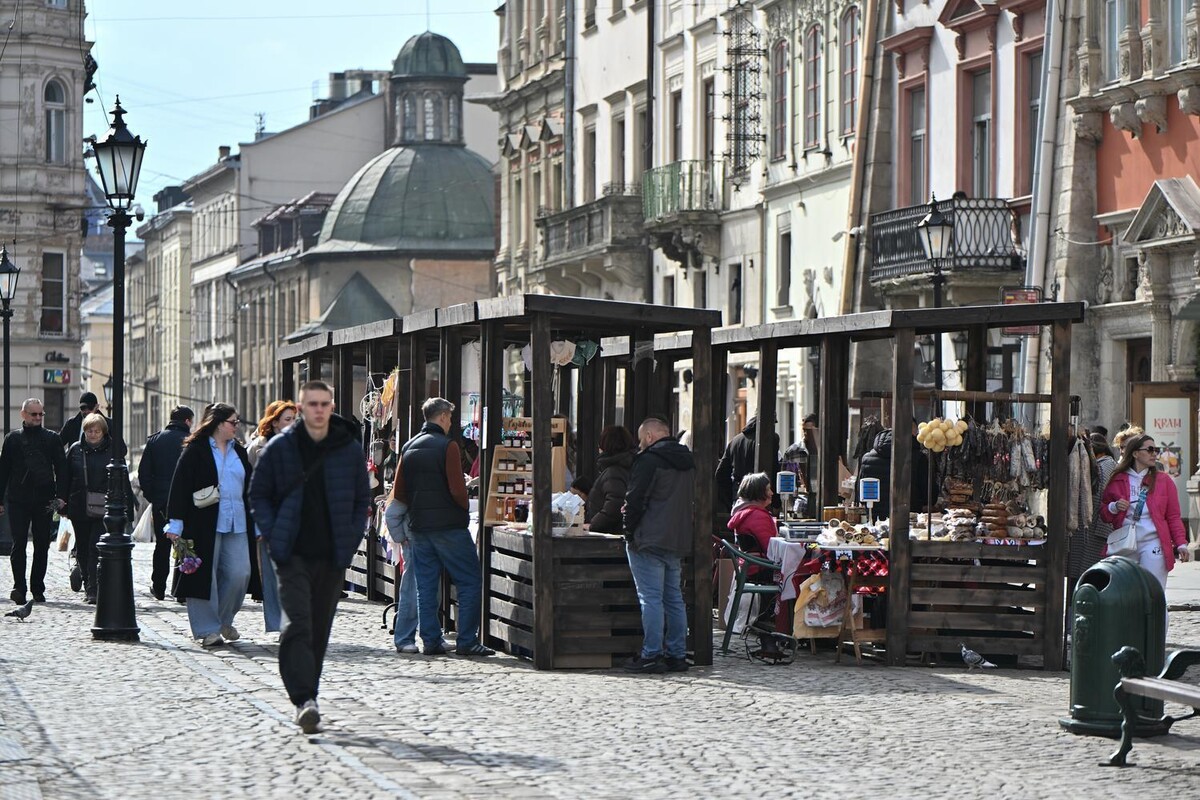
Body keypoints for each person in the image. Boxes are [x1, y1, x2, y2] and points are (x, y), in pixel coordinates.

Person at [249, 381, 371, 734]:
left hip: (332, 554)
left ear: (331, 407)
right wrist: (275, 537)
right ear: (301, 409)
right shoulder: (282, 448)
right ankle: (304, 698)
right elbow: (258, 495)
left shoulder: (346, 448)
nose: (319, 410)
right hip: (292, 553)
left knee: (319, 629)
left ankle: (310, 694)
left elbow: (361, 499)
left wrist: (348, 541)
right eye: (312, 404)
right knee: (298, 624)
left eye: (325, 404)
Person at [393, 397, 494, 657]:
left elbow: (400, 491)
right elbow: (457, 489)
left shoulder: (409, 446)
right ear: (442, 417)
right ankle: (467, 640)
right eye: (449, 417)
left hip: (419, 527)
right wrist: (462, 509)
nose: (450, 422)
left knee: (425, 585)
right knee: (469, 580)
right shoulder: (447, 446)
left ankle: (431, 640)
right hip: (449, 526)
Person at [164, 403, 259, 647]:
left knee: (240, 573)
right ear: (218, 423)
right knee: (204, 576)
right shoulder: (196, 450)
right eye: (233, 422)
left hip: (237, 520)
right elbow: (180, 486)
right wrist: (175, 523)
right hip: (204, 523)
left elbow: (250, 487)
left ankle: (224, 620)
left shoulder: (239, 451)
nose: (237, 427)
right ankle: (208, 629)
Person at [622, 417, 695, 674]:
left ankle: (651, 654)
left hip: (649, 537)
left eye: (642, 438)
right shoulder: (687, 462)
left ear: (651, 436)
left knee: (651, 598)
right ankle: (676, 654)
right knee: (674, 598)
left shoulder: (648, 460)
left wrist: (628, 531)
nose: (640, 443)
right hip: (677, 538)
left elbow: (636, 499)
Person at [1099, 433, 1191, 591]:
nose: (1154, 453)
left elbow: (1173, 516)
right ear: (1135, 453)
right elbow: (1104, 514)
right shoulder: (1118, 479)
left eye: (1156, 449)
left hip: (1154, 543)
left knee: (1153, 593)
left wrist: (1181, 543)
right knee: (1128, 595)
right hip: (1125, 544)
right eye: (1149, 449)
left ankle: (1157, 617)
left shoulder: (1164, 481)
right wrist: (1114, 507)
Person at [61, 414, 136, 604]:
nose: (93, 435)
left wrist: (127, 506)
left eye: (96, 431)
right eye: (89, 431)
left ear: (103, 432)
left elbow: (122, 478)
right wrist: (61, 501)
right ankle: (89, 584)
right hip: (79, 506)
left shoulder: (113, 451)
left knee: (96, 546)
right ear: (84, 432)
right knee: (84, 548)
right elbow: (65, 477)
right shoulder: (76, 450)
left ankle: (95, 587)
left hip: (105, 506)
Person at [0, 399, 67, 604]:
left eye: (41, 414)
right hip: (18, 499)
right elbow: (3, 471)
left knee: (41, 545)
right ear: (23, 415)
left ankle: (37, 587)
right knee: (18, 543)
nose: (38, 418)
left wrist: (61, 497)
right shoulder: (12, 439)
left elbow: (62, 470)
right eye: (33, 414)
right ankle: (19, 587)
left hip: (45, 500)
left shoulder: (52, 439)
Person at [247, 400, 298, 633]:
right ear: (274, 423)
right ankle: (280, 623)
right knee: (272, 574)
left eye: (294, 419)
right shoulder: (257, 448)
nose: (292, 424)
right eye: (287, 419)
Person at [137, 405, 194, 600]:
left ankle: (159, 586)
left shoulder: (155, 440)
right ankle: (183, 590)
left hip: (161, 501)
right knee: (186, 544)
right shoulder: (191, 441)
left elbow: (144, 473)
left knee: (162, 546)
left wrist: (153, 496)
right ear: (187, 421)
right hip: (187, 501)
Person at [384, 480, 420, 654]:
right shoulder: (411, 479)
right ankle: (404, 637)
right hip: (414, 539)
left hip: (423, 538)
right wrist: (401, 537)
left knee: (429, 591)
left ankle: (432, 636)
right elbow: (391, 514)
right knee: (411, 589)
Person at [715, 416, 780, 511]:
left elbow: (721, 474)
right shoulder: (771, 438)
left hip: (740, 496)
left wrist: (730, 498)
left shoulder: (735, 441)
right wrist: (776, 502)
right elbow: (774, 469)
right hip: (762, 499)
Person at [585, 425, 637, 534]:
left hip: (610, 535)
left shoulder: (613, 472)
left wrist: (593, 525)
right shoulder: (629, 466)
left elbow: (614, 505)